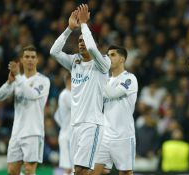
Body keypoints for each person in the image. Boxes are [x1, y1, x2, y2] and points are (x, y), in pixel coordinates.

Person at [50, 4, 111, 175]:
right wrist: (70, 29)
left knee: (81, 170)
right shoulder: (74, 62)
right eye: (79, 41)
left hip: (92, 123)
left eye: (84, 40)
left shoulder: (102, 63)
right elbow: (54, 52)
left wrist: (84, 25)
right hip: (75, 125)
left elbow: (92, 48)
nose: (81, 44)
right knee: (79, 171)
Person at [0, 45, 50, 175]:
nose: (30, 59)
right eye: (27, 57)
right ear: (21, 60)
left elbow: (31, 95)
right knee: (12, 171)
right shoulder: (17, 81)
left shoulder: (43, 80)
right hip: (17, 132)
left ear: (37, 60)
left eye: (33, 57)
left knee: (29, 171)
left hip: (33, 132)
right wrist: (9, 82)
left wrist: (17, 77)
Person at [92, 45, 138, 175]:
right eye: (107, 55)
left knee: (125, 173)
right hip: (105, 135)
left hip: (123, 136)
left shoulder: (129, 78)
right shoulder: (107, 80)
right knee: (93, 171)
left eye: (112, 55)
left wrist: (100, 78)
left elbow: (112, 94)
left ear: (122, 59)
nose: (108, 58)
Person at [54, 73, 72, 175]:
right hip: (67, 137)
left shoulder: (63, 95)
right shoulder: (66, 95)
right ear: (69, 81)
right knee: (68, 169)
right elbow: (80, 108)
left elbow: (56, 116)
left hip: (67, 135)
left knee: (72, 168)